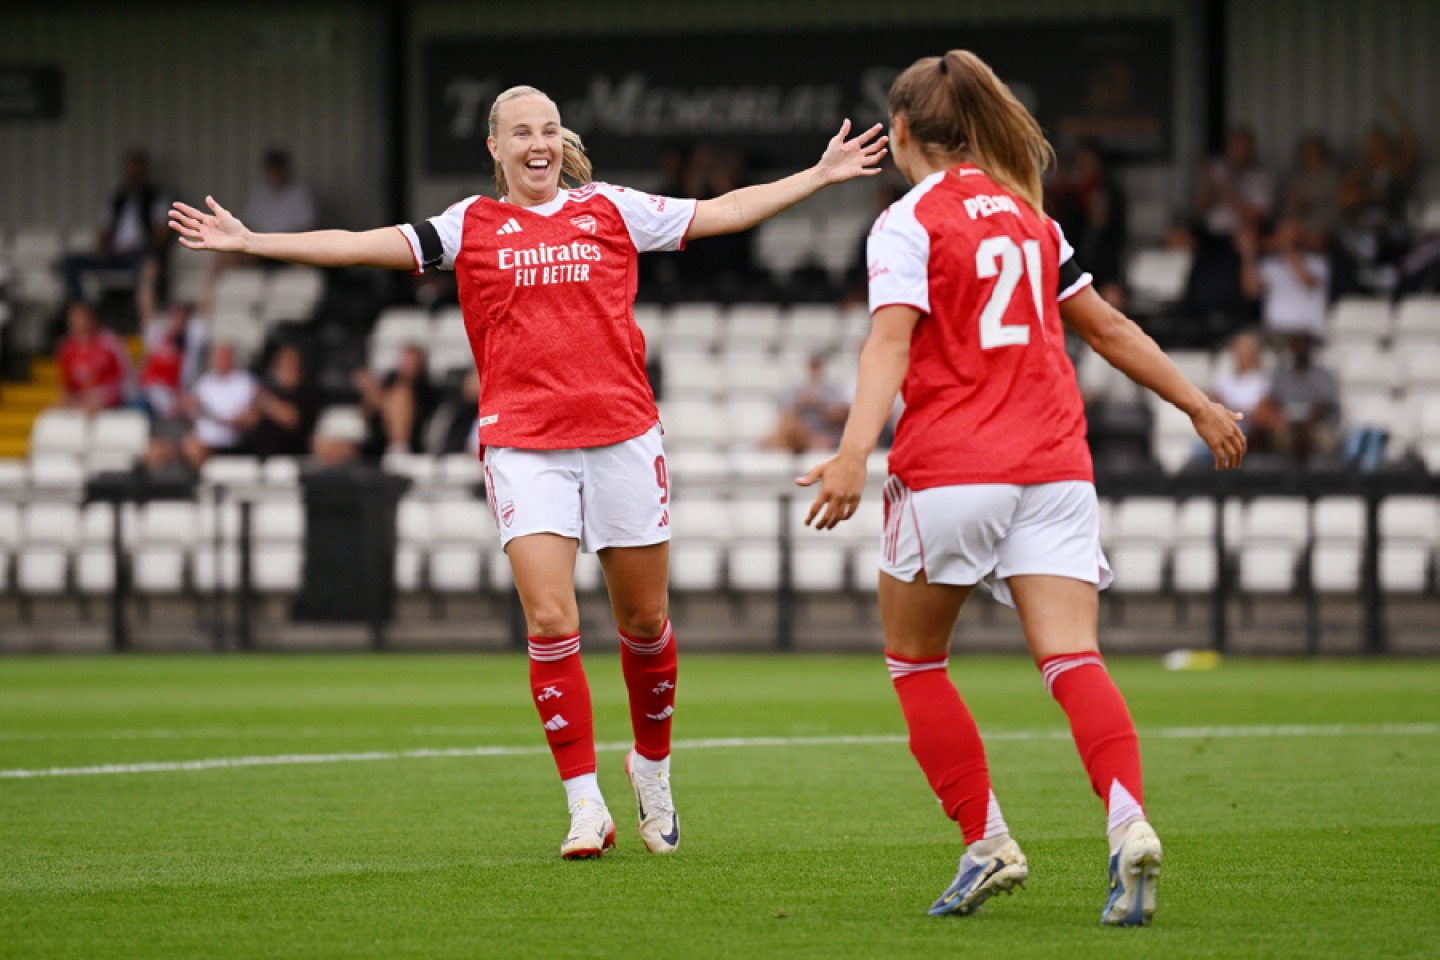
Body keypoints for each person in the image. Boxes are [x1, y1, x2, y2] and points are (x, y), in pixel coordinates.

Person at [169, 83, 886, 860]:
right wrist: (254, 243)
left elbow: (724, 212)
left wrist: (817, 175)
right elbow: (357, 241)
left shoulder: (611, 209)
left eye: (548, 129)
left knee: (644, 623)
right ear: (496, 148)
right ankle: (585, 804)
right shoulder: (467, 226)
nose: (537, 143)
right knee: (551, 620)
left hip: (623, 438)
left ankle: (651, 767)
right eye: (521, 133)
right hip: (524, 444)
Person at [797, 50, 1246, 926]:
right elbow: (1108, 328)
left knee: (915, 660)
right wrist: (1199, 403)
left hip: (955, 468)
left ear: (899, 134)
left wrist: (853, 452)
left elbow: (890, 344)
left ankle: (988, 840)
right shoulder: (1033, 220)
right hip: (1055, 466)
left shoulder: (907, 221)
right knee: (1074, 658)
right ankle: (1128, 826)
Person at [61, 149, 171, 306]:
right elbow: (104, 230)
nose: (132, 175)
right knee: (71, 262)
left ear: (144, 170)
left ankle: (135, 312)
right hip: (114, 255)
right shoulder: (116, 199)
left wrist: (137, 248)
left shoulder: (156, 197)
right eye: (129, 171)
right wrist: (104, 248)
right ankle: (81, 309)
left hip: (139, 255)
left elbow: (161, 234)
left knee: (146, 265)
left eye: (136, 170)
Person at [1250, 333, 1340, 462]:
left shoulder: (1323, 375)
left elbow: (1323, 405)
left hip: (1317, 425)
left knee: (1326, 440)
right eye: (1297, 343)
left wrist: (1306, 423)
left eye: (1304, 343)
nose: (1300, 348)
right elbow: (1273, 401)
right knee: (1279, 438)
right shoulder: (1280, 375)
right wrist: (1281, 420)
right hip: (1287, 425)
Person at [1237, 218, 1330, 342]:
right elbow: (1252, 291)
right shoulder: (1269, 264)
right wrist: (1248, 255)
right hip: (1276, 335)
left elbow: (1308, 282)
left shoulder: (1318, 262)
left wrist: (1285, 246)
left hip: (1308, 334)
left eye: (1291, 233)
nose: (1287, 237)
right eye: (1283, 232)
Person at [179, 341, 257, 468]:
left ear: (231, 357)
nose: (217, 360)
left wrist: (208, 412)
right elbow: (192, 417)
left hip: (227, 442)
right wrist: (186, 407)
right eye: (215, 356)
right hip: (201, 437)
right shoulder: (204, 382)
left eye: (222, 355)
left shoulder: (244, 382)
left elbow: (242, 421)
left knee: (195, 447)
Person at [354, 343, 437, 459]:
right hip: (380, 436)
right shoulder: (390, 380)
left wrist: (378, 396)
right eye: (406, 362)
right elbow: (369, 412)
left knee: (400, 397)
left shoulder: (426, 389)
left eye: (413, 362)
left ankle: (398, 449)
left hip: (413, 441)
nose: (409, 366)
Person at [761, 354, 850, 453]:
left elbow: (841, 416)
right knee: (785, 428)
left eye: (816, 367)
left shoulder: (832, 390)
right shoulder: (796, 389)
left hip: (823, 434)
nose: (814, 371)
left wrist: (818, 404)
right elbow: (785, 414)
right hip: (801, 434)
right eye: (812, 367)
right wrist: (801, 403)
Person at [55, 300, 131, 413]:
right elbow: (68, 386)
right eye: (72, 319)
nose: (75, 322)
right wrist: (69, 400)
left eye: (80, 318)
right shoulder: (66, 347)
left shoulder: (109, 341)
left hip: (115, 399)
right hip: (83, 401)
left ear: (91, 318)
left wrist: (102, 398)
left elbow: (126, 379)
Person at [244, 343, 316, 459]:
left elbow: (291, 418)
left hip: (291, 455)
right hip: (257, 454)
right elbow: (247, 422)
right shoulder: (269, 391)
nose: (285, 367)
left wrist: (267, 403)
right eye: (282, 363)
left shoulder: (306, 392)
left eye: (289, 363)